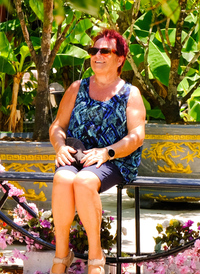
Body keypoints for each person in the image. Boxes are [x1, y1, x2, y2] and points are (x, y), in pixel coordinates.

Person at [48, 29, 146, 274]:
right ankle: (62, 254)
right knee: (63, 178)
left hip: (114, 159)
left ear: (120, 59)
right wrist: (59, 146)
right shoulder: (76, 88)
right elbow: (57, 126)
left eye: (105, 51)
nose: (97, 55)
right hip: (77, 154)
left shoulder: (129, 93)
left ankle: (96, 255)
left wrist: (107, 153)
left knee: (83, 181)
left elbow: (137, 137)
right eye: (94, 51)